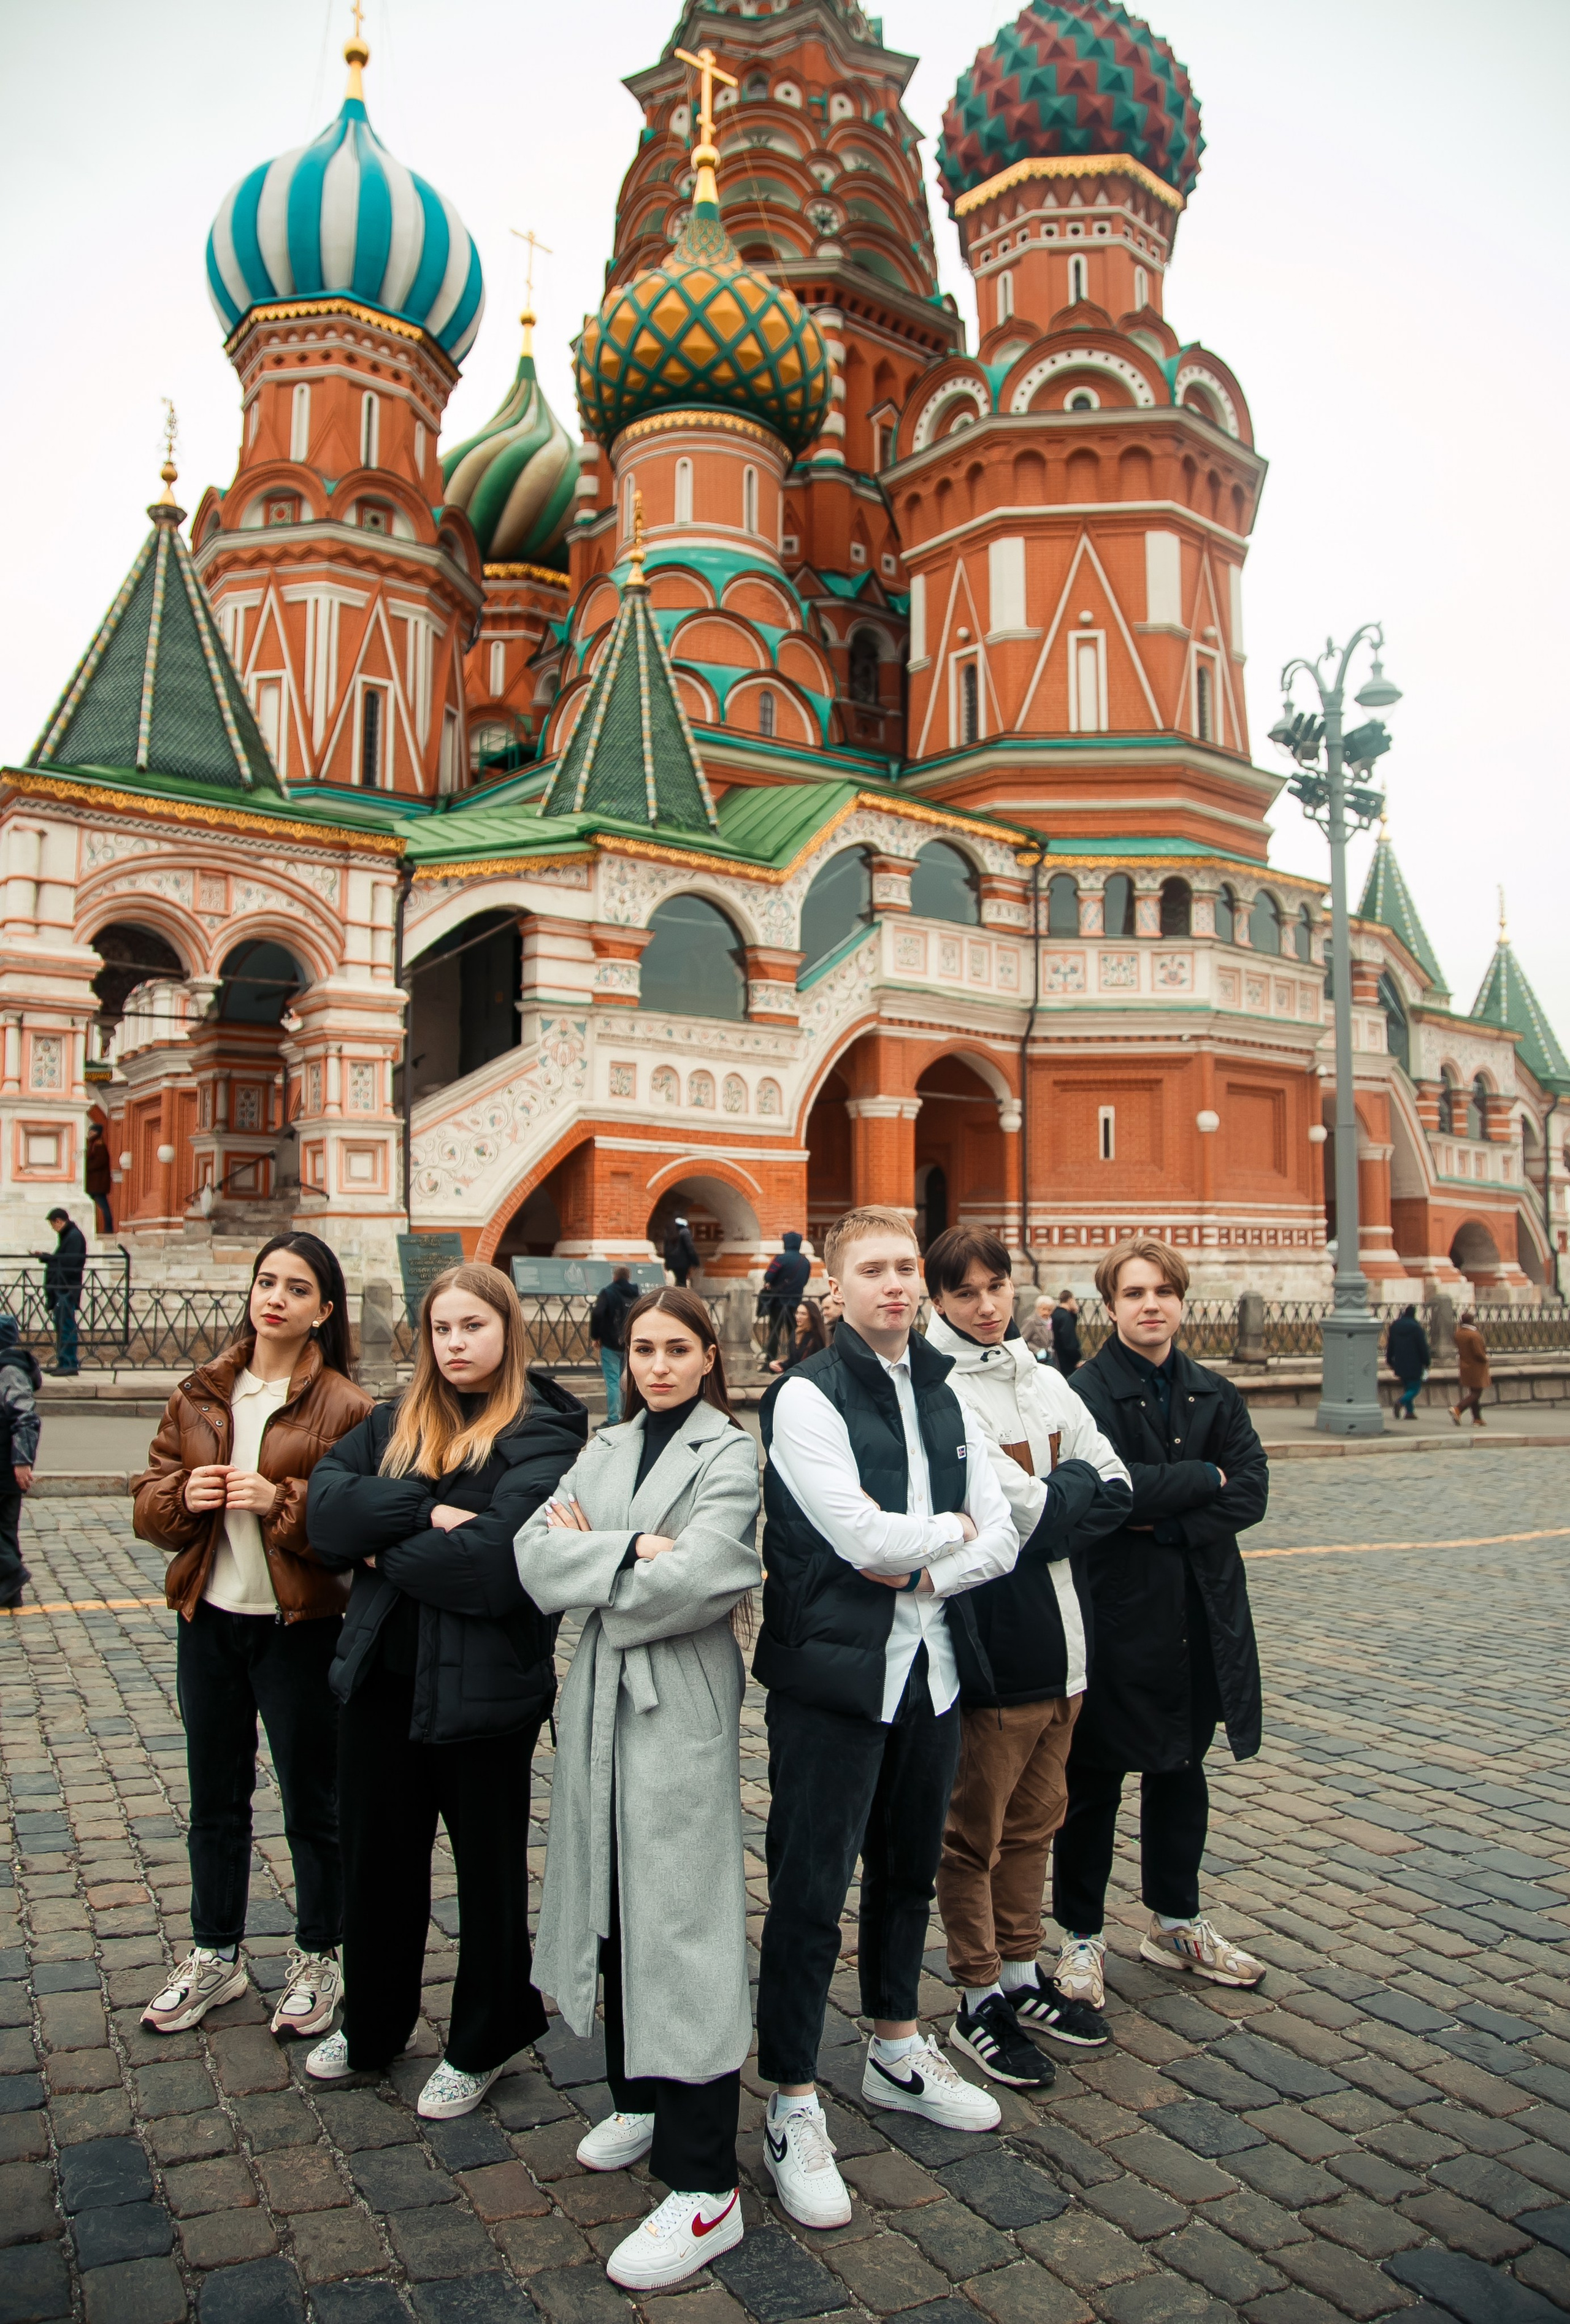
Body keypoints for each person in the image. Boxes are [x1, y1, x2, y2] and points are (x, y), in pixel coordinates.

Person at [752, 1206, 1020, 2233]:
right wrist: (947, 1538)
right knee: (811, 1892)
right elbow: (855, 1533)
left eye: (908, 1266)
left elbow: (1000, 1532)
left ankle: (896, 2046)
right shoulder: (806, 1397)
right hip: (836, 1679)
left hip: (934, 1669)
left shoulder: (948, 1392)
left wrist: (933, 1550)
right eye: (874, 1269)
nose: (897, 1285)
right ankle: (790, 2099)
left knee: (910, 1870)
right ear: (834, 1283)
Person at [514, 1288, 760, 2292]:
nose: (656, 1364)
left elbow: (707, 1579)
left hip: (679, 1701)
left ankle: (705, 2184)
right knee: (616, 1897)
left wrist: (598, 1560)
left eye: (676, 1348)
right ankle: (641, 2093)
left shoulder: (733, 1455)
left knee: (683, 1918)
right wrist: (630, 1551)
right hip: (600, 1700)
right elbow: (534, 1556)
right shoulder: (607, 1447)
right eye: (642, 1348)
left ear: (709, 1357)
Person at [304, 1264, 587, 2119]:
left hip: (486, 1689)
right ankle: (375, 2023)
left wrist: (379, 1540)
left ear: (507, 1330)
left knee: (488, 1871)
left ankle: (487, 2035)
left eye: (473, 1326)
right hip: (381, 1680)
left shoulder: (542, 1432)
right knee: (378, 1864)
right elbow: (323, 1516)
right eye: (442, 1329)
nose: (456, 1343)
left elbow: (498, 1570)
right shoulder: (393, 1419)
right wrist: (428, 1514)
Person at [132, 1234, 370, 2039]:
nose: (275, 1297)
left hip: (299, 1627)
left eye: (296, 1288)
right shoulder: (203, 1390)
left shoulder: (345, 1405)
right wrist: (181, 1493)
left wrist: (280, 1498)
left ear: (322, 1311)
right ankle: (214, 1953)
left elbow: (350, 1529)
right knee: (215, 1798)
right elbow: (149, 1499)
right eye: (266, 1281)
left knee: (315, 1801)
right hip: (210, 1619)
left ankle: (319, 1956)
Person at [922, 1228, 1133, 2085]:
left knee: (1035, 1826)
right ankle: (976, 1995)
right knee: (975, 1835)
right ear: (939, 1299)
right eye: (966, 1291)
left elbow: (1115, 1485)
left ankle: (1020, 1971)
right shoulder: (941, 1392)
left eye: (996, 1286)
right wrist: (1063, 1499)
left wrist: (1060, 1500)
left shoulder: (1043, 1377)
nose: (986, 1304)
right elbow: (1027, 1520)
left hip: (1069, 1645)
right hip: (995, 1646)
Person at [1052, 1236, 1268, 2008]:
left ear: (1181, 1301)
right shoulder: (1080, 1391)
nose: (1151, 1305)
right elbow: (1107, 1491)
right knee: (1093, 1779)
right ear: (1109, 1307)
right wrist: (1196, 1481)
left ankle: (1176, 1919)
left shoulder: (1214, 1391)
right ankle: (1080, 1936)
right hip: (1115, 1615)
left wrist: (1168, 1518)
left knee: (1182, 1769)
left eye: (1163, 1292)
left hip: (1199, 1612)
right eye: (1135, 1293)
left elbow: (1249, 1492)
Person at [0, 1317, 40, 1608]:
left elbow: (26, 1417)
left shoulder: (9, 1370)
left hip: (5, 1462)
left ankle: (13, 1575)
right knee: (5, 1529)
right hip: (7, 1461)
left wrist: (22, 1462)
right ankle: (10, 1594)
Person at [589, 1266, 641, 1426]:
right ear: (629, 1277)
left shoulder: (608, 1292)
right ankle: (628, 1416)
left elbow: (598, 1313)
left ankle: (614, 1418)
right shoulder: (636, 1295)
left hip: (611, 1344)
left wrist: (596, 1335)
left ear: (615, 1277)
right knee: (626, 1381)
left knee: (613, 1381)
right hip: (629, 1344)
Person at [38, 1208, 87, 1377]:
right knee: (61, 1325)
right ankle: (63, 1362)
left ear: (58, 1221)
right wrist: (47, 1257)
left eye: (53, 1224)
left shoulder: (73, 1237)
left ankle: (69, 1363)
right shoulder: (68, 1236)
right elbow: (63, 1259)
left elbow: (70, 1263)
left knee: (66, 1326)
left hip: (67, 1289)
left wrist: (49, 1258)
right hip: (63, 1288)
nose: (53, 1228)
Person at [760, 1231, 811, 1368]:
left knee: (775, 1330)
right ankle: (795, 1359)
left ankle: (770, 1360)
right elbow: (805, 1280)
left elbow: (769, 1277)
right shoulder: (805, 1261)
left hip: (778, 1302)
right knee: (794, 1331)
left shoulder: (781, 1259)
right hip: (796, 1302)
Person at [1387, 1304, 1430, 1422]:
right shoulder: (1416, 1328)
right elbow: (1422, 1347)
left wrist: (1389, 1359)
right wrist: (1427, 1361)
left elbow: (1390, 1344)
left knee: (1407, 1387)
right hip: (1415, 1362)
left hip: (1400, 1361)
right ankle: (1401, 1402)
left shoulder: (1395, 1326)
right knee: (1415, 1388)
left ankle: (1410, 1412)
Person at [770, 1298, 828, 1374]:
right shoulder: (796, 1333)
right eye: (797, 1313)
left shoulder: (816, 1337)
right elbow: (793, 1362)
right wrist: (776, 1365)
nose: (798, 1317)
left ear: (811, 1316)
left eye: (803, 1314)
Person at [1453, 1309, 1489, 1428]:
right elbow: (1479, 1353)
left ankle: (1477, 1418)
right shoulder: (1474, 1335)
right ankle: (1458, 1409)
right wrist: (1486, 1359)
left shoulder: (1459, 1333)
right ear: (1472, 1321)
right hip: (1477, 1367)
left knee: (1474, 1392)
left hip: (1465, 1365)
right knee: (1477, 1393)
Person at [85, 1125, 114, 1235]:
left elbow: (100, 1161)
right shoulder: (93, 1143)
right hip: (95, 1183)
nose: (89, 1132)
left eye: (91, 1130)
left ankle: (109, 1229)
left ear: (96, 1132)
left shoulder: (98, 1144)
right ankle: (101, 1228)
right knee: (100, 1205)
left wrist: (86, 1167)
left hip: (98, 1183)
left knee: (103, 1205)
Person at [1049, 1290, 1082, 1377]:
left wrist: (1074, 1314)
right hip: (1066, 1362)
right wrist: (1077, 1357)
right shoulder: (1066, 1317)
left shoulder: (1055, 1313)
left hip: (1057, 1356)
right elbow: (1069, 1340)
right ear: (1070, 1300)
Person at [664, 1215, 700, 1288]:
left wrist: (667, 1262)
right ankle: (681, 1297)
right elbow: (690, 1247)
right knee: (682, 1282)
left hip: (672, 1262)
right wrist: (695, 1261)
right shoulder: (685, 1232)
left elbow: (666, 1248)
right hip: (682, 1263)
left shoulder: (670, 1233)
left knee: (677, 1281)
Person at [1021, 1295, 1057, 1365]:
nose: (1047, 1312)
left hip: (1050, 1357)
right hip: (1035, 1358)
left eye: (1049, 1310)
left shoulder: (1051, 1321)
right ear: (1037, 1308)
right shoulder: (1031, 1322)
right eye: (1044, 1309)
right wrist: (1037, 1350)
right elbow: (1023, 1340)